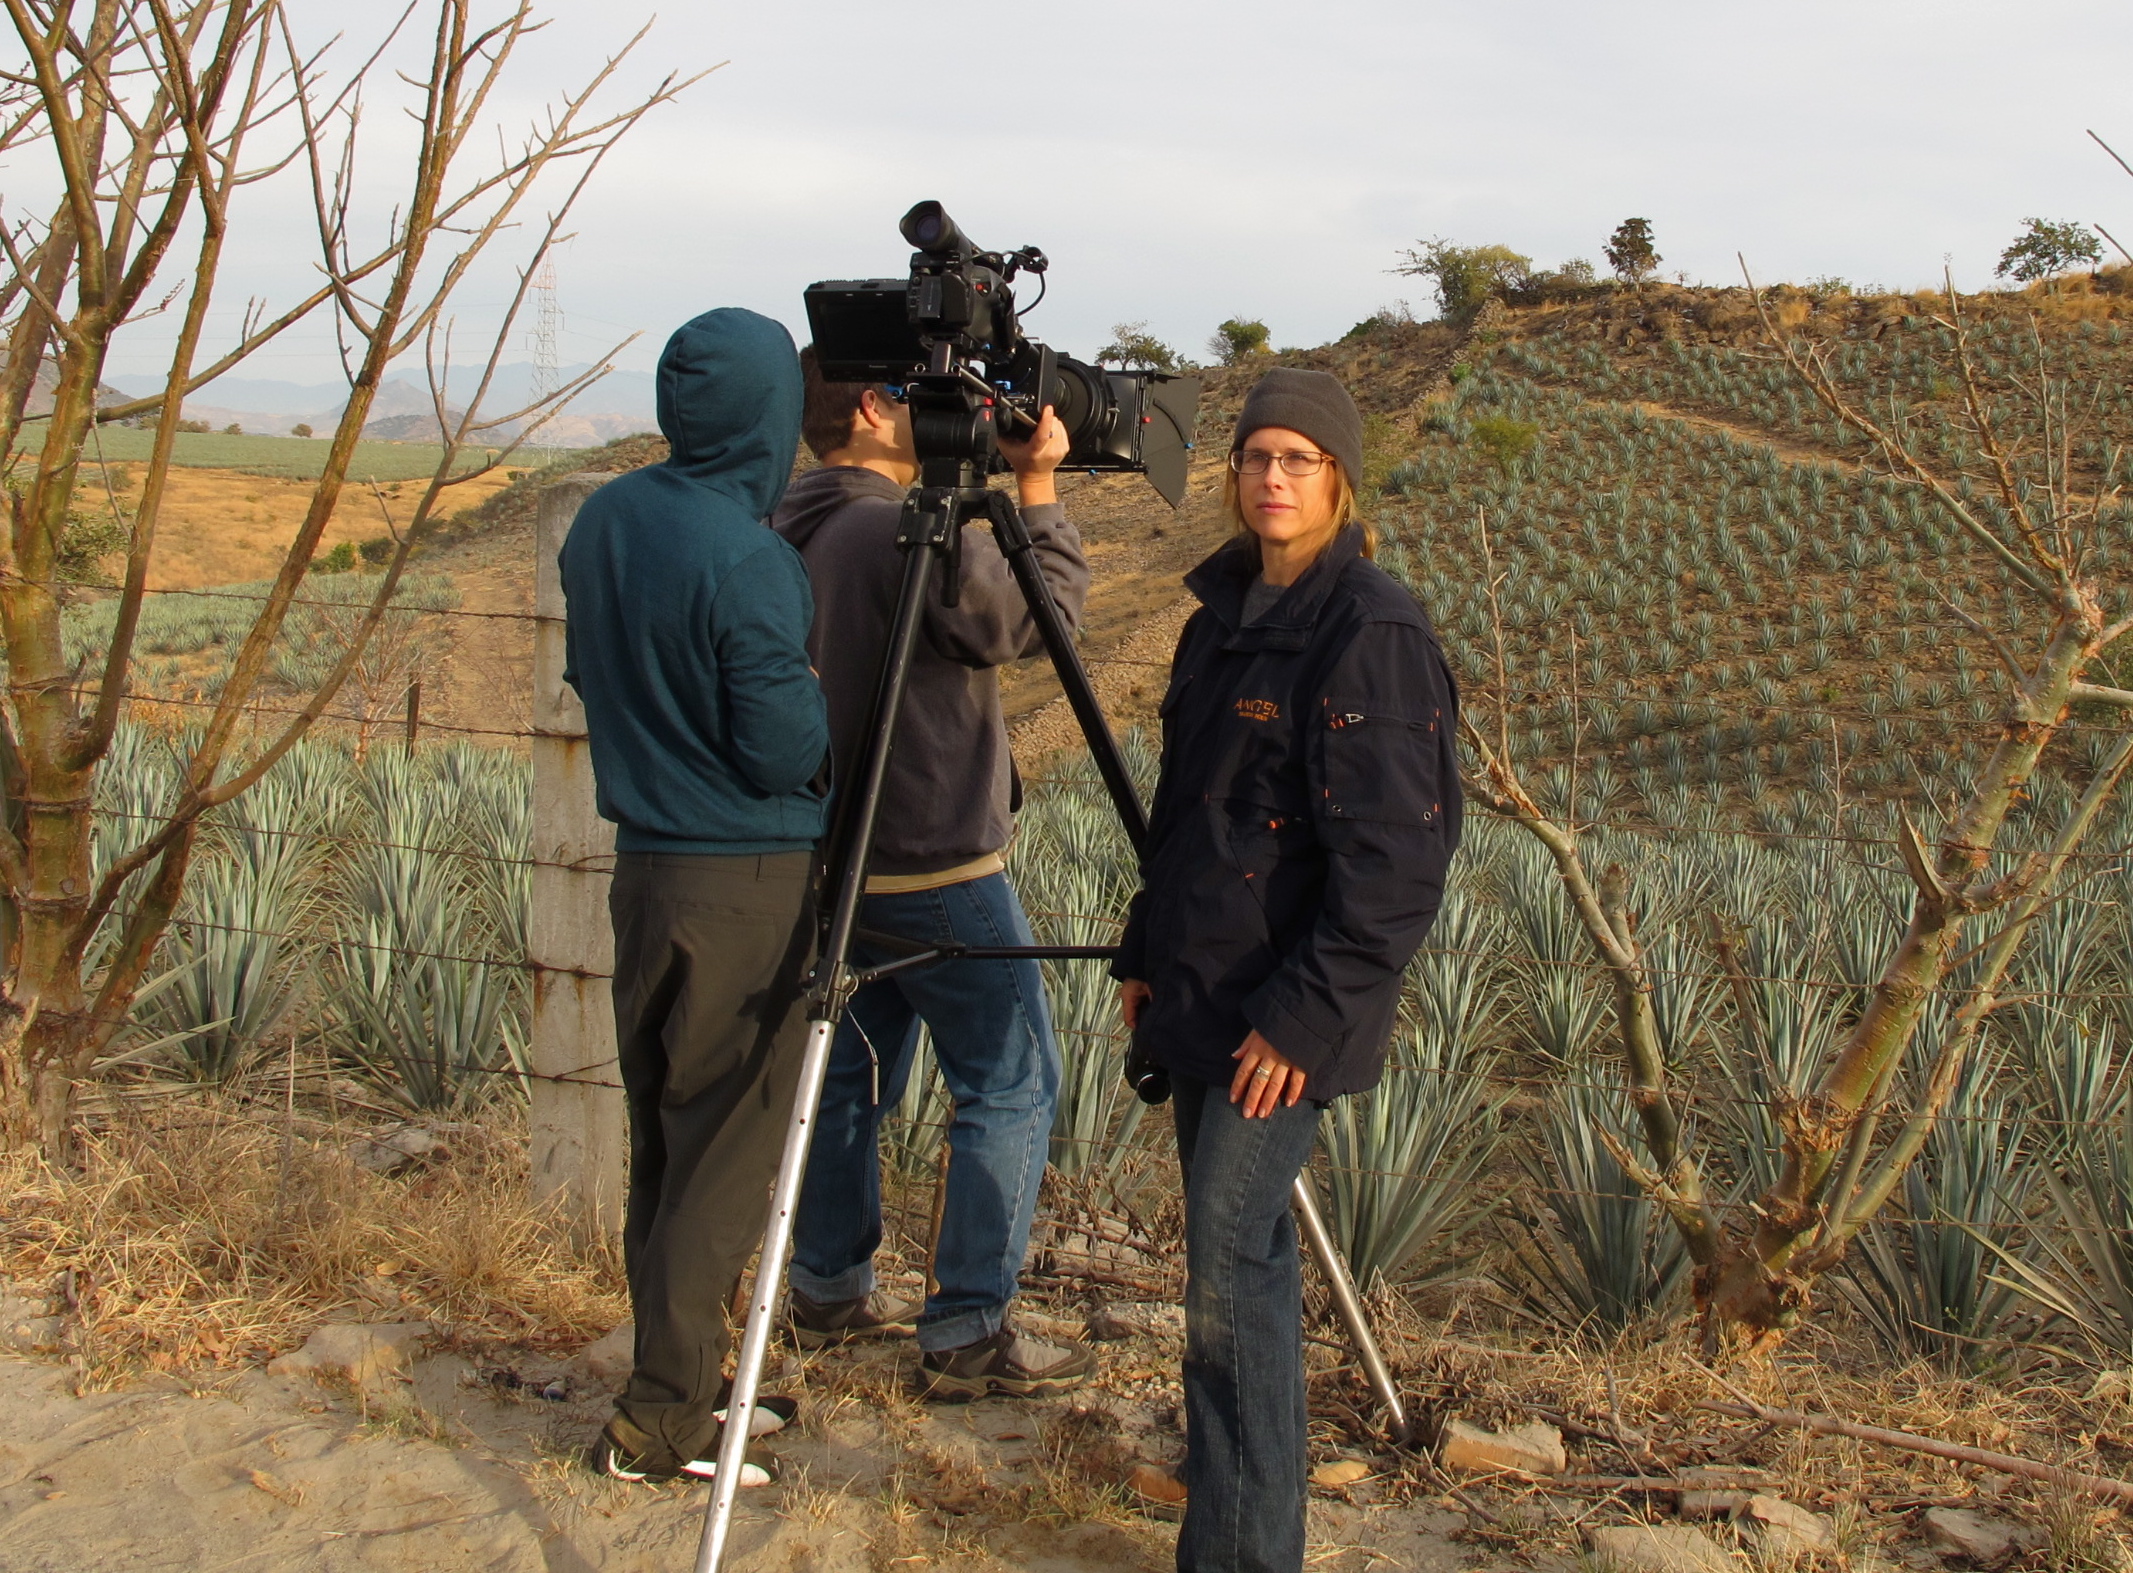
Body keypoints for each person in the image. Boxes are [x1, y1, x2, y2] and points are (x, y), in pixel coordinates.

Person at [1112, 368, 1461, 1573]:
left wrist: (1304, 1024)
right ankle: (1231, 1513)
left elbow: (1395, 869)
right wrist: (1143, 954)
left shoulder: (1375, 632)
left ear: (1340, 479)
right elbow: (1186, 820)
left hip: (1283, 1017)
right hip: (1203, 991)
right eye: (1258, 456)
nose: (1273, 478)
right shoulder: (1218, 622)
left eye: (1299, 461)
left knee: (1231, 1271)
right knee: (1223, 1268)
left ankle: (1245, 1553)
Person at [771, 350, 1097, 1399]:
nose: (937, 413)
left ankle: (826, 1290)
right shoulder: (886, 527)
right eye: (915, 395)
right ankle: (964, 1329)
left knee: (851, 1080)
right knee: (1010, 1083)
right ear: (872, 409)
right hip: (938, 863)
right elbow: (1018, 622)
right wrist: (1038, 489)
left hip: (835, 865)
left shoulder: (789, 521)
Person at [559, 307, 829, 1486]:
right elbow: (783, 748)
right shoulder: (749, 558)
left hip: (645, 873)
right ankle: (661, 1420)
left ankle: (682, 1379)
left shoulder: (607, 519)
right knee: (724, 1154)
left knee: (670, 1146)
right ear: (767, 417)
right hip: (746, 884)